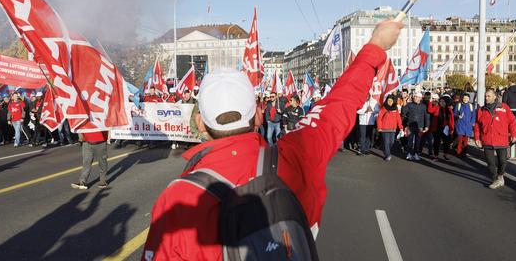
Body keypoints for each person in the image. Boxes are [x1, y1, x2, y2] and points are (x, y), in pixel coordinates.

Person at [142, 19, 402, 260]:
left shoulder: (178, 198)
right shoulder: (296, 156)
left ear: (200, 122)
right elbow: (338, 104)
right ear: (257, 116)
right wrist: (375, 45)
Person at [474, 89, 516, 189]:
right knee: (490, 162)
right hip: (487, 139)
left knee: (502, 161)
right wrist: (477, 138)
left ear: (495, 97)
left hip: (501, 139)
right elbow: (477, 125)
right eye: (486, 96)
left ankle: (500, 175)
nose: (486, 98)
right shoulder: (481, 110)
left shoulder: (504, 107)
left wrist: (514, 134)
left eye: (489, 96)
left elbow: (512, 122)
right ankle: (495, 180)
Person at [401, 92, 429, 161]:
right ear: (413, 97)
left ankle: (415, 154)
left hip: (420, 126)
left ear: (421, 98)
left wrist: (427, 126)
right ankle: (409, 154)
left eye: (418, 97)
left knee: (418, 141)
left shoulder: (423, 106)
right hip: (410, 126)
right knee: (409, 141)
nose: (416, 98)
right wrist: (404, 101)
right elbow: (403, 112)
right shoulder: (409, 105)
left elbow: (426, 116)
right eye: (415, 97)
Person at [376, 95, 403, 161]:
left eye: (391, 101)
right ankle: (388, 155)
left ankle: (386, 151)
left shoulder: (395, 108)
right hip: (384, 129)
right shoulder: (383, 108)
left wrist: (401, 127)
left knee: (392, 142)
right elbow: (379, 118)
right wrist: (379, 127)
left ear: (393, 101)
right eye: (388, 100)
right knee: (386, 142)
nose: (390, 102)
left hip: (393, 129)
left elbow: (398, 118)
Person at [453, 93, 475, 157]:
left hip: (468, 126)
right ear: (462, 98)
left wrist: (472, 123)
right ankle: (458, 152)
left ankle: (464, 153)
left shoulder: (471, 106)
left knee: (465, 141)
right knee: (460, 140)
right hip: (460, 125)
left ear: (469, 99)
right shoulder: (458, 105)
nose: (465, 99)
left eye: (467, 98)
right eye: (464, 98)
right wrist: (458, 116)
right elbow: (454, 114)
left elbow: (473, 115)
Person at [433, 95, 454, 160]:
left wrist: (452, 128)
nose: (441, 103)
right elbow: (430, 110)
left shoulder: (449, 109)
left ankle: (445, 154)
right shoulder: (437, 107)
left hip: (446, 128)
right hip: (437, 127)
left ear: (446, 102)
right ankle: (436, 155)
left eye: (443, 101)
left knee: (446, 142)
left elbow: (452, 119)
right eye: (440, 101)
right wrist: (432, 103)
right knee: (436, 142)